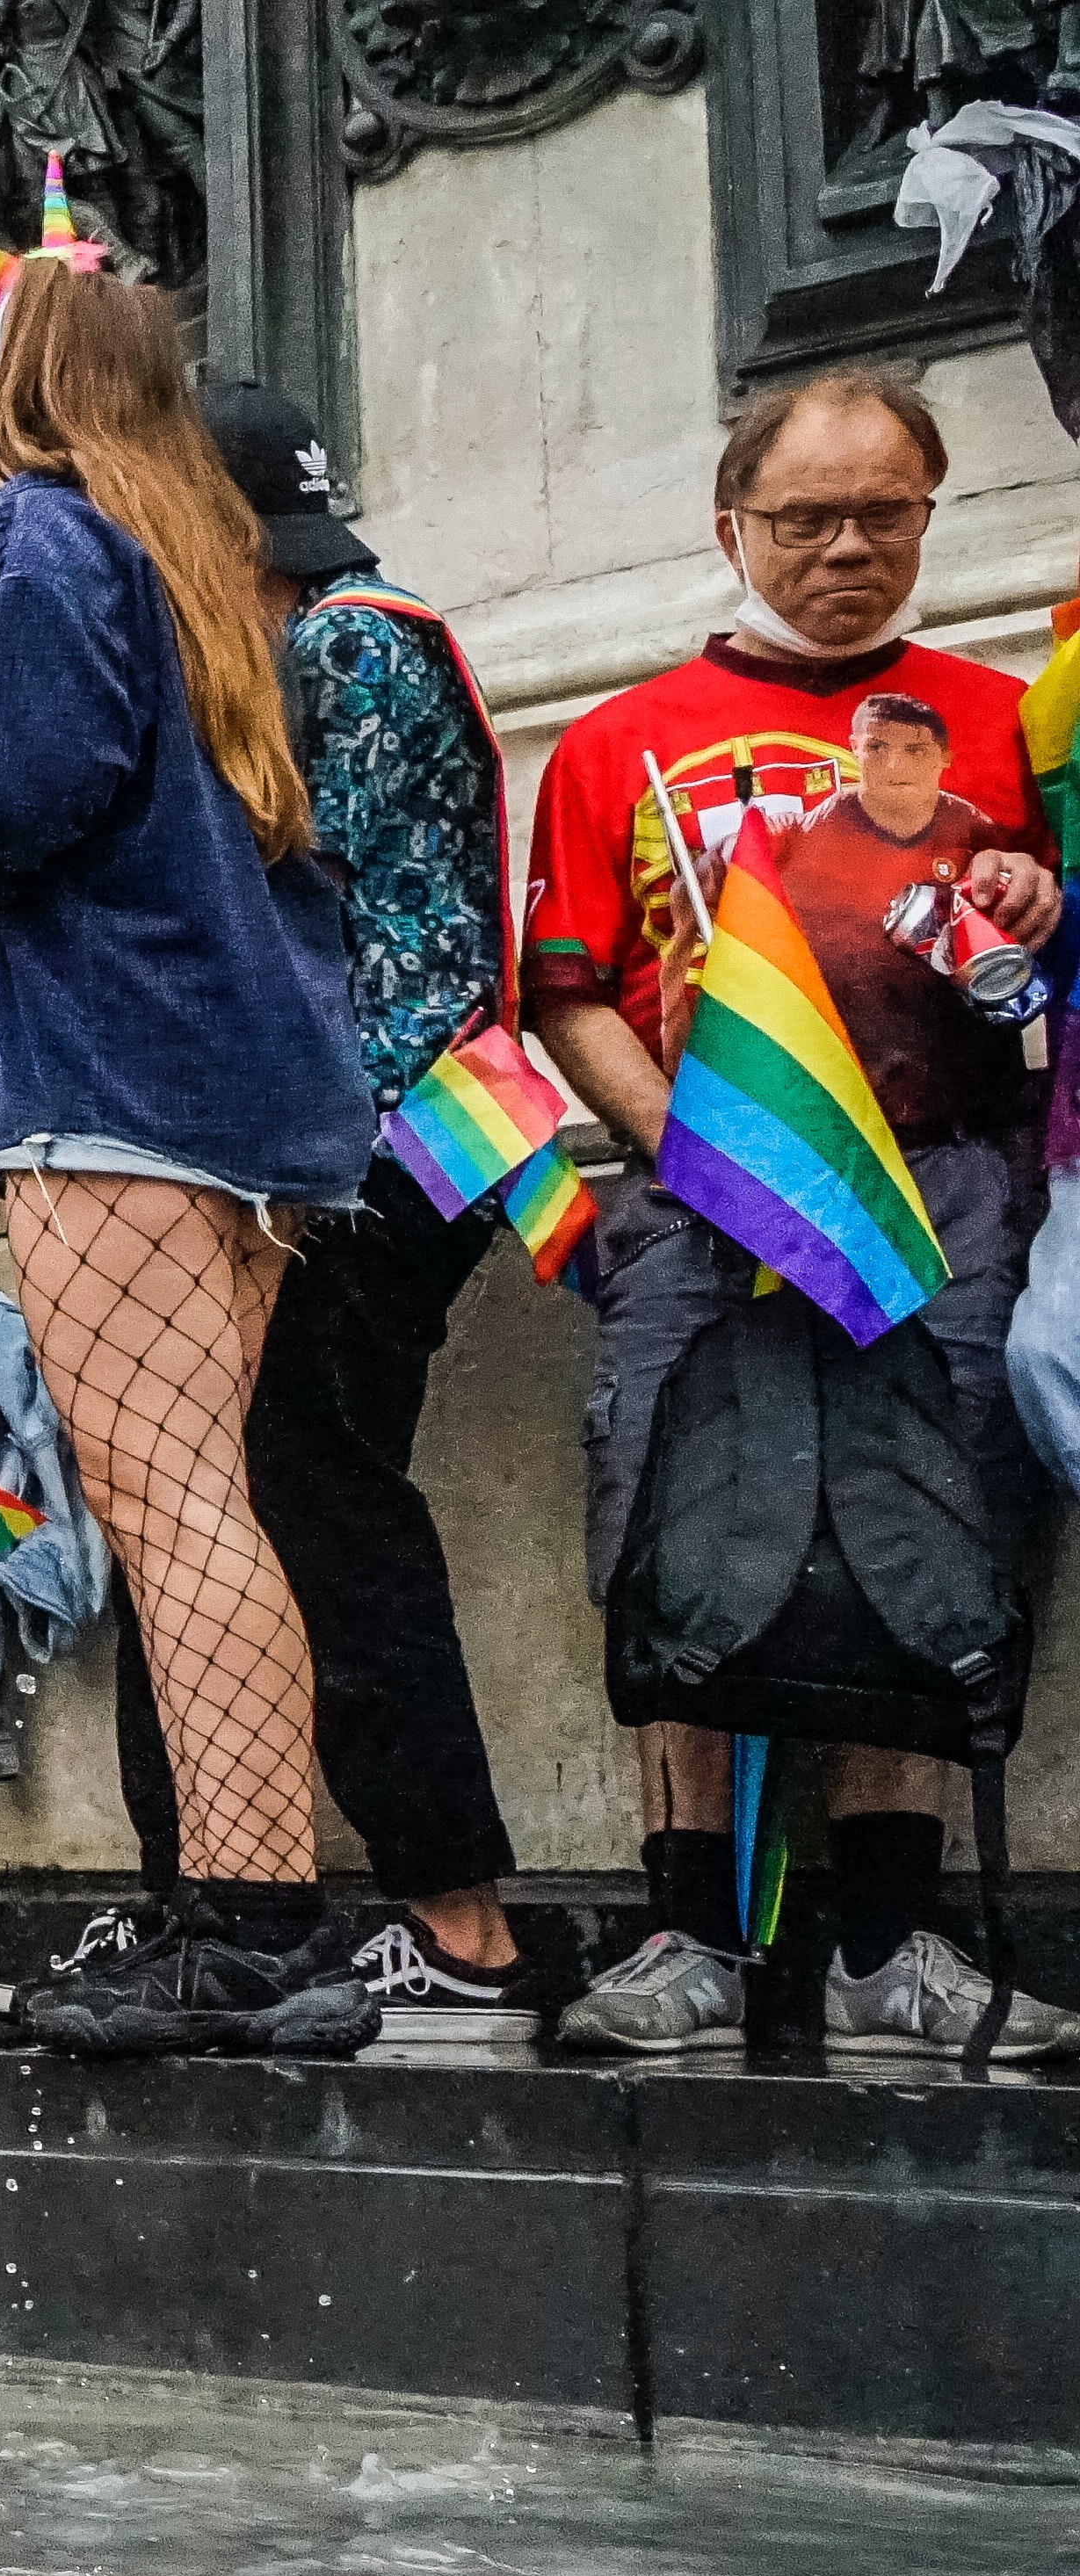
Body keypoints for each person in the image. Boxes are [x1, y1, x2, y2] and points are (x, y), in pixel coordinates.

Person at [0, 260, 381, 2043]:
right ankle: (238, 1907)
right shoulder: (184, 559)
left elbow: (27, 802)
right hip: (236, 1083)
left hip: (112, 1071)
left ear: (19, 383)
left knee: (172, 1503)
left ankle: (256, 1930)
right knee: (207, 1497)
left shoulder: (27, 534)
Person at [519, 368, 1068, 2058]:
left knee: (934, 1526)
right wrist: (689, 1148)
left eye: (885, 512)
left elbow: (1049, 955)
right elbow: (565, 987)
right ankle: (686, 1931)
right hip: (705, 1202)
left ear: (929, 512)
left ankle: (892, 1940)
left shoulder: (1005, 722)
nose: (848, 546)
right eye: (806, 516)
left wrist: (1036, 906)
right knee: (678, 1527)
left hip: (949, 1191)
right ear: (730, 525)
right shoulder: (618, 739)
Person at [59, 380, 541, 2013]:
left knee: (294, 1504)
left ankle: (453, 1917)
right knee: (220, 1500)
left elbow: (257, 900)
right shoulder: (372, 619)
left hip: (356, 1146)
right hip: (386, 1136)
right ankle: (198, 1896)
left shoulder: (328, 648)